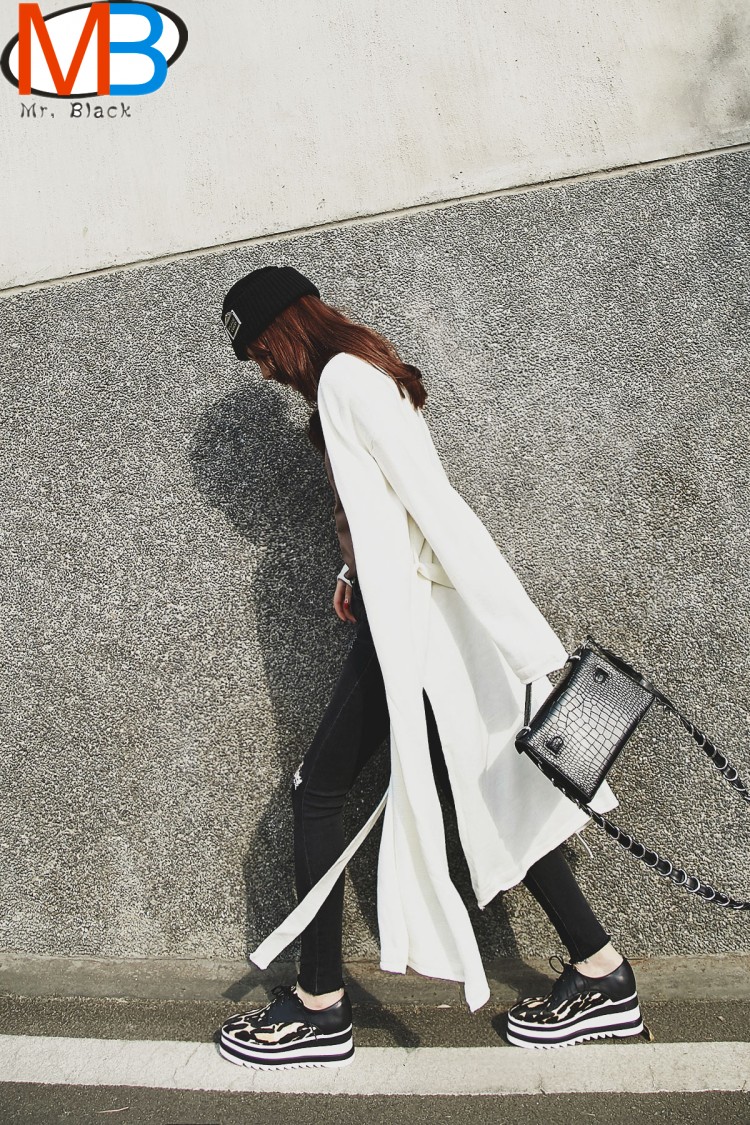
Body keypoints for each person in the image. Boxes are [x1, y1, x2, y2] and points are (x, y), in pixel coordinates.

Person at [215, 265, 643, 1070]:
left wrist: (528, 643)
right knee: (485, 785)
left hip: (410, 630)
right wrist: (353, 571)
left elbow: (436, 507)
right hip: (404, 618)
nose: (264, 370)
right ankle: (601, 970)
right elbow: (392, 511)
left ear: (285, 328)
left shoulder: (344, 381)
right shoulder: (361, 373)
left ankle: (319, 1005)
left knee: (319, 791)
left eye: (261, 351)